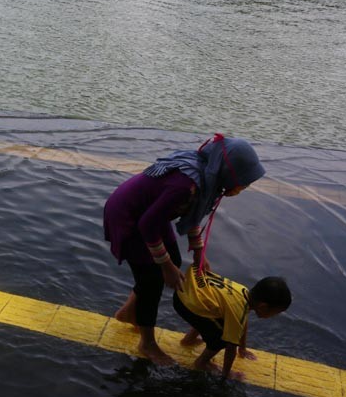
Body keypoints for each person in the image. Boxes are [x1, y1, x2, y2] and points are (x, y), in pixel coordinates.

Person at [103, 133, 265, 365]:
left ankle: (128, 313)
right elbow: (147, 225)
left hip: (150, 215)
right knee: (152, 280)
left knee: (174, 261)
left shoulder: (206, 177)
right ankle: (147, 343)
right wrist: (166, 266)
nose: (243, 187)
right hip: (128, 218)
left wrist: (199, 254)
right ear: (229, 172)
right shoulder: (185, 185)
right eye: (243, 182)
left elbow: (192, 215)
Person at [174, 264, 291, 380]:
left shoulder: (243, 291)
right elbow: (230, 348)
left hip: (185, 292)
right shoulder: (238, 310)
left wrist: (242, 348)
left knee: (213, 314)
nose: (275, 316)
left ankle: (189, 340)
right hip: (187, 304)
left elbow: (242, 321)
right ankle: (202, 362)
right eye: (276, 313)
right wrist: (227, 374)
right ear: (263, 307)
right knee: (221, 338)